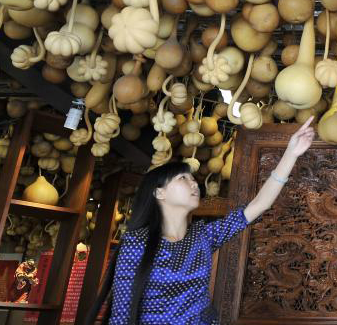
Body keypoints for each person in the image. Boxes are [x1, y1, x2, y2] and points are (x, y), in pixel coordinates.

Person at [85, 117, 316, 325]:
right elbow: (121, 315)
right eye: (183, 178)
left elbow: (259, 205)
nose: (194, 183)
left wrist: (291, 154)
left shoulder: (204, 235)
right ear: (159, 193)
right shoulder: (137, 243)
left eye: (193, 178)